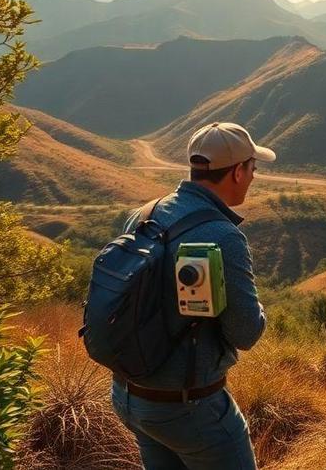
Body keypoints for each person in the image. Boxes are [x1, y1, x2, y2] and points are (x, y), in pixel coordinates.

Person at [110, 122, 272, 469]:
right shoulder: (223, 235)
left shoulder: (142, 216)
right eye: (253, 168)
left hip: (130, 395)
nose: (254, 176)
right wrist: (259, 308)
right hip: (188, 408)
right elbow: (246, 334)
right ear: (238, 172)